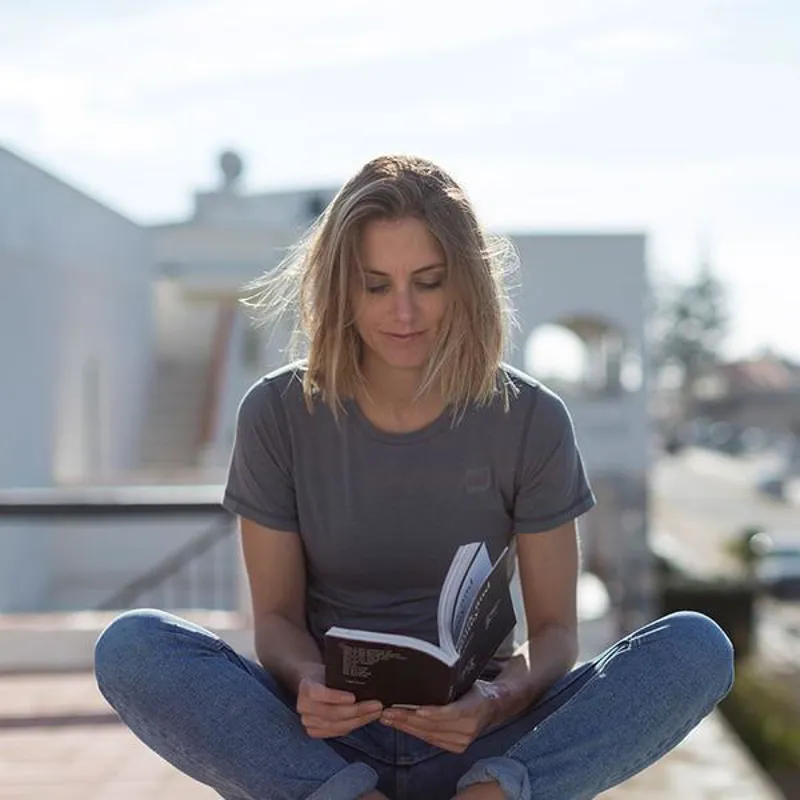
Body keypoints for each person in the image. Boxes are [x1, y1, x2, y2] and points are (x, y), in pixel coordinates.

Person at [94, 154, 734, 800]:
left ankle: (492, 795)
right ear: (341, 287)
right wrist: (311, 683)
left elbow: (556, 634)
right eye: (375, 285)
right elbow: (278, 621)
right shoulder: (276, 414)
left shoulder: (532, 419)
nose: (403, 313)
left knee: (695, 649)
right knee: (135, 648)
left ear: (464, 283)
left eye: (427, 281)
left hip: (481, 738)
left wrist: (496, 699)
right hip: (328, 747)